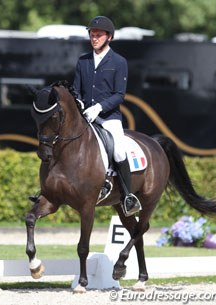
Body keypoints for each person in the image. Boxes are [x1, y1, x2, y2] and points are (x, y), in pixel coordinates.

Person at [73, 16, 141, 216]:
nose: (94, 38)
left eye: (98, 35)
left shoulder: (119, 62)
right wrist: (79, 103)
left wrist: (99, 108)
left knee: (119, 152)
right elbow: (76, 89)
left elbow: (120, 95)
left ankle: (128, 196)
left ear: (109, 37)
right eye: (92, 35)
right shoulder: (83, 61)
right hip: (85, 117)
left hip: (108, 117)